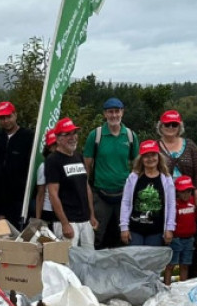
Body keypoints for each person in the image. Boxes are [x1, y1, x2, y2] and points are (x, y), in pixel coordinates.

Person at [83, 97, 139, 249]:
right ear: (105, 114)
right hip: (101, 195)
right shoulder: (96, 135)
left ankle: (119, 270)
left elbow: (137, 164)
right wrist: (86, 192)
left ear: (122, 112)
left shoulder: (130, 135)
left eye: (117, 111)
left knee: (123, 236)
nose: (114, 115)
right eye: (110, 112)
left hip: (123, 195)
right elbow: (87, 165)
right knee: (97, 235)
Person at [156, 110, 197, 277]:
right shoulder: (155, 146)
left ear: (180, 126)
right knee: (166, 239)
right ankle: (164, 281)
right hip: (165, 200)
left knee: (190, 238)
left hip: (188, 198)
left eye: (174, 124)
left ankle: (193, 279)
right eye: (167, 124)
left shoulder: (190, 145)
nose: (171, 127)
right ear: (160, 126)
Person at [46, 118, 98, 248]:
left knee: (88, 260)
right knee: (68, 263)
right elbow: (53, 194)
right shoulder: (53, 160)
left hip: (85, 220)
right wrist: (64, 223)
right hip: (68, 222)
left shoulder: (78, 157)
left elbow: (86, 187)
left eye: (74, 133)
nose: (73, 137)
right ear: (58, 139)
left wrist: (91, 215)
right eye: (67, 134)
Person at [120, 140, 176, 247]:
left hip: (156, 231)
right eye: (146, 156)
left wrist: (169, 228)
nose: (150, 159)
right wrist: (124, 227)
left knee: (153, 262)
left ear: (159, 156)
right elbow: (126, 202)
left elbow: (171, 205)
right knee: (135, 261)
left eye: (153, 155)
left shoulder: (166, 179)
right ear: (141, 159)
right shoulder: (133, 177)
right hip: (135, 230)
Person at [0, 101, 35, 229]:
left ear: (15, 115)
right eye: (2, 118)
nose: (6, 121)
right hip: (0, 197)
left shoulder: (28, 136)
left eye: (8, 116)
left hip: (21, 198)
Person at [164, 176, 197, 285]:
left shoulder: (194, 202)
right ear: (177, 192)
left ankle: (182, 287)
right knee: (171, 265)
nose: (186, 194)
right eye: (183, 191)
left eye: (189, 191)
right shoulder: (174, 204)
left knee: (185, 264)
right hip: (176, 238)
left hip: (189, 239)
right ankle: (167, 287)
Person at [36, 129, 58, 225]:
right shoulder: (43, 167)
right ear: (49, 147)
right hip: (49, 212)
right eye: (54, 145)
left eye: (58, 144)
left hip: (67, 211)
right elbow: (40, 194)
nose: (56, 148)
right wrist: (38, 219)